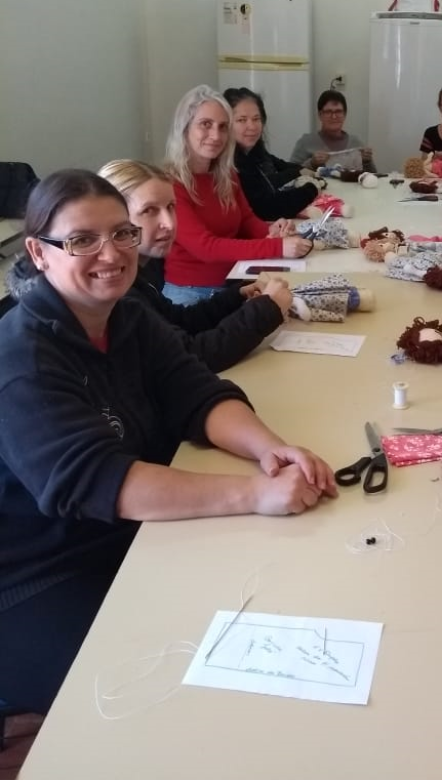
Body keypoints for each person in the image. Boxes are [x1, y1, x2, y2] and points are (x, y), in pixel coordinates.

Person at [0, 170, 336, 715]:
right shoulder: (21, 359)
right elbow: (102, 482)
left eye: (121, 233)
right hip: (41, 575)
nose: (111, 253)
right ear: (39, 253)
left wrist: (270, 450)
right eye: (82, 240)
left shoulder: (128, 316)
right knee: (164, 693)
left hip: (128, 535)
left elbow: (196, 393)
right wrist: (254, 494)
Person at [96, 159, 292, 372]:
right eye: (149, 210)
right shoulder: (118, 293)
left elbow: (180, 320)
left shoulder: (138, 275)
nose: (169, 223)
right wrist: (265, 310)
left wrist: (236, 296)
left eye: (171, 207)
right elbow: (192, 354)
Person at [163, 85, 311, 305]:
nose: (216, 135)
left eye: (223, 127)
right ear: (184, 128)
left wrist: (272, 231)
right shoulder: (170, 185)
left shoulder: (227, 175)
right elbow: (206, 248)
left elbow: (247, 220)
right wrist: (278, 246)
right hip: (190, 296)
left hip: (233, 285)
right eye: (205, 124)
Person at [223, 87, 320, 221]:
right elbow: (267, 208)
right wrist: (312, 188)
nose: (252, 126)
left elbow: (278, 164)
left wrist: (303, 172)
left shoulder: (251, 152)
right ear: (226, 124)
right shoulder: (230, 162)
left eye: (256, 119)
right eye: (242, 120)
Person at [289, 90, 376, 173]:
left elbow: (374, 177)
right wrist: (311, 163)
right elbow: (289, 174)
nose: (334, 116)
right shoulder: (306, 142)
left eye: (338, 111)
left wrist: (367, 162)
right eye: (328, 112)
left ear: (344, 114)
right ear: (320, 115)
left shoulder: (356, 143)